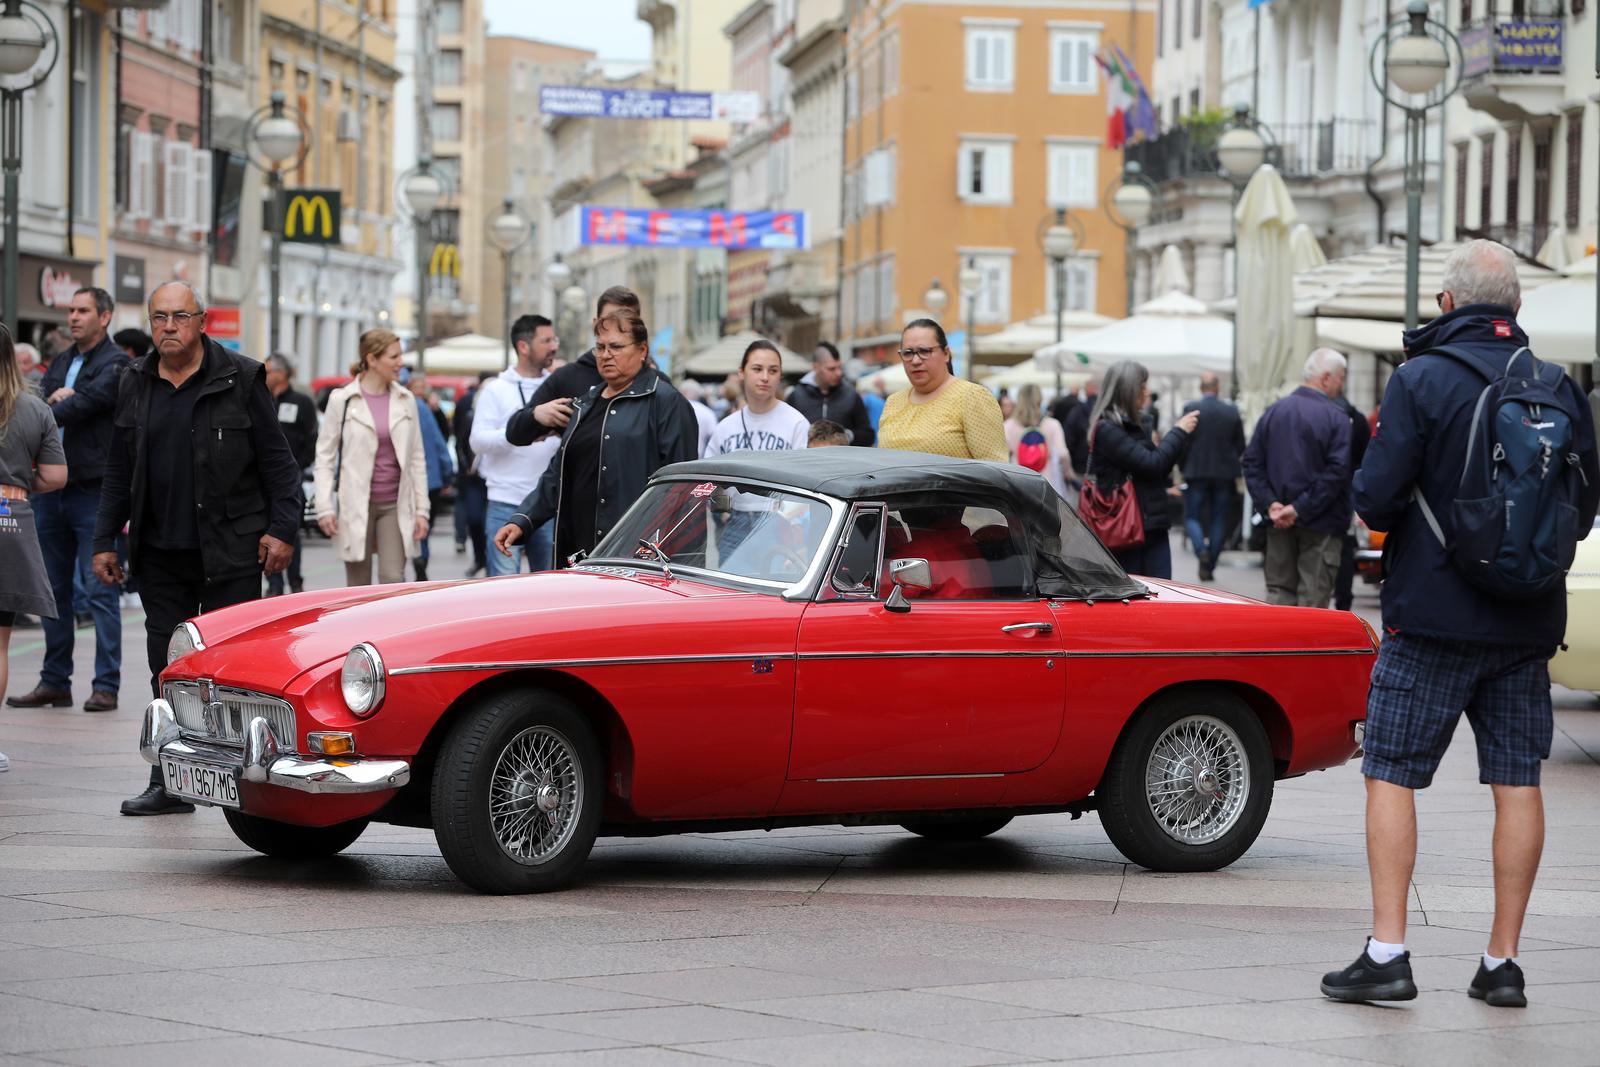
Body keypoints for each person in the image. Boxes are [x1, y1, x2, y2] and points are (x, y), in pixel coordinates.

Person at [1323, 239, 1600, 1008]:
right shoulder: (1558, 388)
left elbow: (1374, 502)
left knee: (1392, 771)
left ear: (1447, 304)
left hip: (1435, 618)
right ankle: (1503, 961)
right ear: (1516, 307)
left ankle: (1388, 952)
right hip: (1526, 623)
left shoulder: (1421, 378)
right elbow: (1584, 508)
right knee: (1518, 781)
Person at [92, 281, 301, 815]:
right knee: (166, 665)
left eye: (179, 316)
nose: (167, 327)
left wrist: (283, 529)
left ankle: (241, 779)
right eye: (159, 317)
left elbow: (278, 463)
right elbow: (118, 469)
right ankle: (168, 775)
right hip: (159, 550)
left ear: (202, 321)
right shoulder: (134, 381)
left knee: (232, 668)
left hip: (229, 547)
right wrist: (104, 539)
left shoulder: (241, 377)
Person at [493, 310, 697, 569]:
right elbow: (557, 476)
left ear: (642, 350)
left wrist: (655, 544)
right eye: (600, 347)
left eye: (616, 347)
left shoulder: (665, 401)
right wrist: (522, 519)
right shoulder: (585, 403)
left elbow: (682, 487)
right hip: (579, 551)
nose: (606, 354)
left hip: (638, 554)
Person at [8, 288, 124, 714]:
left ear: (105, 316)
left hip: (93, 490)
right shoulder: (61, 361)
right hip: (50, 491)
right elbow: (43, 401)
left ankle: (106, 685)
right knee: (51, 591)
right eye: (71, 310)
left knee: (99, 590)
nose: (73, 317)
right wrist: (60, 399)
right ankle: (54, 681)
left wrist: (65, 401)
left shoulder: (116, 364)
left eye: (82, 310)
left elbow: (90, 403)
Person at [0, 325, 69, 772]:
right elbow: (56, 476)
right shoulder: (32, 408)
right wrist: (19, 484)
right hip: (10, 519)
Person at [312, 329, 430, 586]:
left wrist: (422, 510)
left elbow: (417, 459)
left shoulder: (406, 399)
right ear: (372, 359)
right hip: (355, 503)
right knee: (358, 587)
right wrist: (324, 507)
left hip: (395, 504)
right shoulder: (341, 399)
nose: (401, 363)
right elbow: (325, 457)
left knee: (393, 581)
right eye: (394, 356)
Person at [1242, 349, 1352, 607]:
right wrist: (1298, 507)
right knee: (1313, 601)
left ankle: (1279, 648)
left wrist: (1271, 505)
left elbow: (1251, 462)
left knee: (1279, 596)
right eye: (1341, 378)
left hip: (1278, 522)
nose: (1342, 384)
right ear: (1326, 378)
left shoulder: (1273, 411)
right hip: (1321, 524)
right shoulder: (1336, 418)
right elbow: (1336, 474)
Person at [1084, 360, 1197, 579]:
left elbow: (1149, 472)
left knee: (1159, 595)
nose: (1147, 392)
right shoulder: (1108, 429)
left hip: (1146, 524)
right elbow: (1152, 464)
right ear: (1128, 390)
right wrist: (1178, 432)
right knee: (1143, 596)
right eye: (1143, 386)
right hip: (1127, 528)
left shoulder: (1133, 426)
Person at [472, 315, 561, 574]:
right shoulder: (496, 390)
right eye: (546, 340)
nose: (553, 346)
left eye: (553, 339)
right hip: (505, 502)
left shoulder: (556, 385)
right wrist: (518, 434)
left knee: (549, 590)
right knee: (503, 589)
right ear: (524, 346)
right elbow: (478, 441)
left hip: (546, 505)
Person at [505, 286, 642, 448]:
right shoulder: (568, 377)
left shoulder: (655, 384)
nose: (617, 329)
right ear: (595, 324)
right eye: (609, 321)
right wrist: (536, 415)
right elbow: (515, 433)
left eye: (627, 322)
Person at [877, 319, 1007, 462]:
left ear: (946, 353)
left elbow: (996, 468)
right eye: (908, 353)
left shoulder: (972, 396)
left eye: (924, 351)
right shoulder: (893, 402)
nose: (915, 360)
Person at [1180, 372, 1245, 581]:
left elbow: (1182, 441)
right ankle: (1211, 562)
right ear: (1217, 388)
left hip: (1196, 470)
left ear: (1201, 388)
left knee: (1192, 515)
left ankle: (1201, 550)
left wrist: (1183, 467)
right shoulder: (1231, 411)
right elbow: (1240, 445)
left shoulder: (1191, 409)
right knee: (1219, 518)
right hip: (1224, 473)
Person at [263, 352, 319, 596]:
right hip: (265, 481)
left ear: (281, 373)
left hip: (291, 478)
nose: (264, 376)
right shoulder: (263, 400)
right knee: (269, 530)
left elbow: (312, 438)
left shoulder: (300, 402)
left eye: (268, 371)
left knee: (290, 531)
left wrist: (298, 466)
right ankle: (274, 585)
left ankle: (295, 583)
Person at [703, 340, 810, 457]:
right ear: (741, 372)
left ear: (780, 376)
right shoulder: (724, 428)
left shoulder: (797, 424)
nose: (765, 377)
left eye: (773, 371)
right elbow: (708, 472)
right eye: (757, 369)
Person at [408, 368, 455, 581]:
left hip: (408, 478)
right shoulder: (422, 409)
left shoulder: (404, 406)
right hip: (429, 478)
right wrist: (447, 475)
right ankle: (421, 556)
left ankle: (418, 556)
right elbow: (438, 442)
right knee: (424, 522)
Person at [787, 341, 875, 446]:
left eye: (839, 367)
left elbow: (869, 435)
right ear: (816, 367)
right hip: (806, 460)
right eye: (831, 369)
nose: (838, 373)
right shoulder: (797, 396)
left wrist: (846, 436)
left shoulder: (851, 394)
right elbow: (786, 433)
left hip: (843, 460)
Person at [452, 371, 493, 576]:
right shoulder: (470, 416)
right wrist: (466, 466)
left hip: (496, 479)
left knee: (492, 523)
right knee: (475, 519)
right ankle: (479, 558)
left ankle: (489, 562)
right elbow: (460, 443)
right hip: (474, 477)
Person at [1332, 394, 1370, 611]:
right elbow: (1364, 459)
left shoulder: (1325, 416)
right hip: (1348, 491)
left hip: (1324, 494)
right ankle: (1343, 600)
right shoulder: (1358, 419)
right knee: (1346, 547)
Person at [1003, 383, 1072, 500]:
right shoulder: (1052, 424)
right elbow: (1062, 454)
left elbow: (1003, 457)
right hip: (1047, 485)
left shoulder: (1008, 426)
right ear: (1040, 400)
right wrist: (1068, 472)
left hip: (1018, 484)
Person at [1051, 378, 1097, 489]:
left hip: (1080, 466)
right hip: (1101, 468)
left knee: (1080, 501)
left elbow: (1068, 439)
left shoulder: (1076, 410)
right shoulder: (1108, 410)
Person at [678, 378, 717, 454]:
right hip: (699, 459)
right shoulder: (708, 412)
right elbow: (714, 437)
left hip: (675, 460)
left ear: (683, 392)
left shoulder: (674, 409)